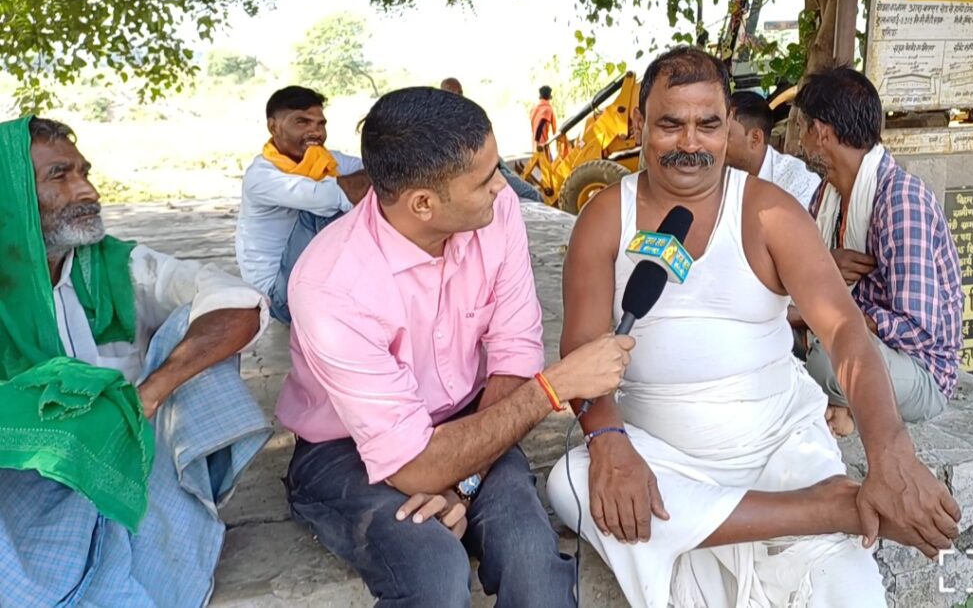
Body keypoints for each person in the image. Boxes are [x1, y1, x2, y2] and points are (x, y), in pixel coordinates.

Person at [547, 48, 961, 608]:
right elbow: (580, 351)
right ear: (640, 123)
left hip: (778, 451)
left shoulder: (770, 211)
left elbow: (845, 331)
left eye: (708, 124)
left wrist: (891, 452)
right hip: (660, 458)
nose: (690, 142)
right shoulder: (604, 218)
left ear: (730, 127)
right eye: (670, 124)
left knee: (853, 594)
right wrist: (608, 440)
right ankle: (830, 509)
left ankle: (782, 511)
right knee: (569, 481)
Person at [277, 86, 635, 607]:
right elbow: (413, 465)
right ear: (423, 204)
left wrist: (463, 482)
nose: (503, 186)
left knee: (531, 561)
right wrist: (555, 386)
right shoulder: (331, 284)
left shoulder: (498, 211)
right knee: (434, 570)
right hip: (345, 448)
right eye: (485, 179)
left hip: (473, 416)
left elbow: (514, 348)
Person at [0, 117, 273, 605]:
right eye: (60, 175)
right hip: (27, 482)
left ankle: (176, 524)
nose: (88, 191)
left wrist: (148, 394)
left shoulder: (116, 266)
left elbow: (237, 304)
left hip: (135, 457)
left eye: (84, 172)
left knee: (199, 332)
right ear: (11, 193)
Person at [792, 68, 964, 436]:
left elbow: (919, 329)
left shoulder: (901, 201)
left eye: (802, 129)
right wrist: (823, 280)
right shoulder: (827, 195)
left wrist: (828, 315)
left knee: (826, 363)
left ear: (820, 133)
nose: (799, 143)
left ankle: (841, 405)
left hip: (919, 371)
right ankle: (842, 408)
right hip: (850, 340)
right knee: (768, 336)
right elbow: (804, 277)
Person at [235, 85, 371, 323]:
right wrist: (384, 173)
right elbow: (343, 193)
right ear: (273, 127)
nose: (315, 132)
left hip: (309, 283)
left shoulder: (326, 160)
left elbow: (376, 172)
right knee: (326, 210)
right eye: (302, 122)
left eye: (320, 124)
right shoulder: (262, 176)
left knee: (377, 196)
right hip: (280, 297)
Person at [439, 77, 542, 203]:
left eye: (459, 92)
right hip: (481, 170)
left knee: (532, 195)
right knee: (532, 195)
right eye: (452, 93)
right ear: (443, 94)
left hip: (494, 165)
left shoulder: (469, 114)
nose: (457, 97)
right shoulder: (441, 124)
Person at [725, 90, 821, 208]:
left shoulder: (799, 180)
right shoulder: (718, 177)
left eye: (726, 134)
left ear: (755, 138)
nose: (716, 142)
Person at [530, 85, 557, 154]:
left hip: (534, 143)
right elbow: (555, 130)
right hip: (542, 145)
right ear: (549, 98)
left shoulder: (534, 108)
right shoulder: (548, 109)